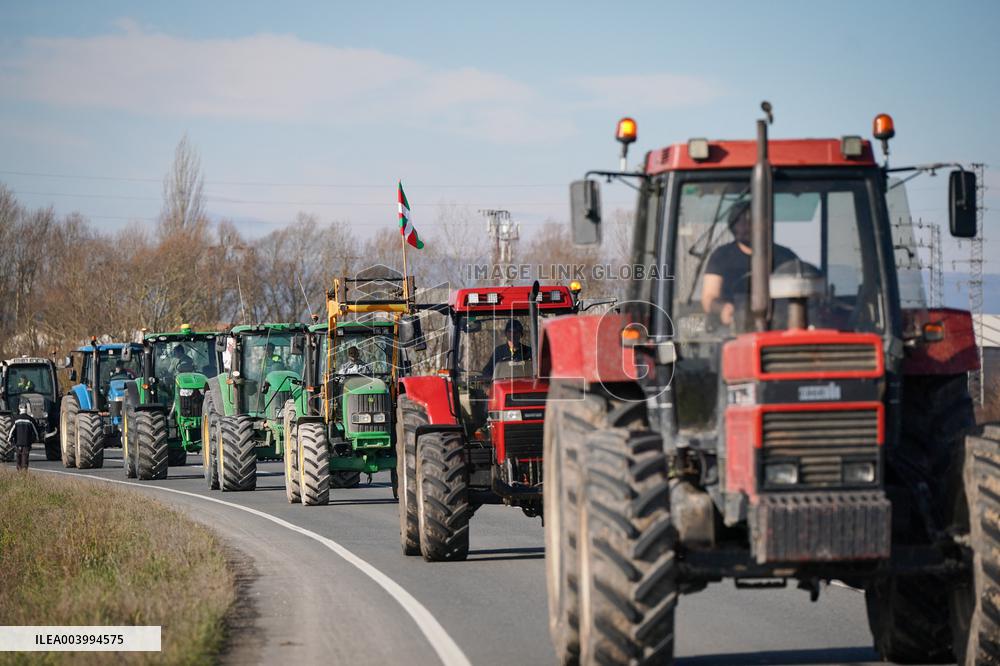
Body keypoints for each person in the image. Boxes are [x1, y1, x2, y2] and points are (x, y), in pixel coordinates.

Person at [701, 201, 798, 326]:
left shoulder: (785, 257)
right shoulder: (721, 256)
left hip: (779, 327)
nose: (745, 227)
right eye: (740, 222)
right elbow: (709, 297)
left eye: (750, 221)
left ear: (764, 224)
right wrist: (723, 308)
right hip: (730, 331)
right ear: (733, 225)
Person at [7, 403, 40, 471]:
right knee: (25, 459)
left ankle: (19, 472)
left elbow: (11, 431)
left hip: (18, 443)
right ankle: (24, 473)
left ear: (19, 409)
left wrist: (9, 439)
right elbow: (36, 431)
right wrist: (37, 438)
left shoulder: (16, 419)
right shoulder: (30, 419)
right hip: (27, 443)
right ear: (26, 409)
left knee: (18, 458)